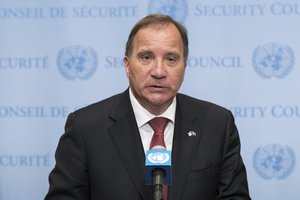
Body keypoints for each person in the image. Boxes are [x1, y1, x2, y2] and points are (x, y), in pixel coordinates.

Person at [45, 14, 251, 200]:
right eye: (146, 57)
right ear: (127, 65)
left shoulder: (217, 124)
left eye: (171, 59)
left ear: (184, 67)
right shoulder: (85, 128)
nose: (159, 71)